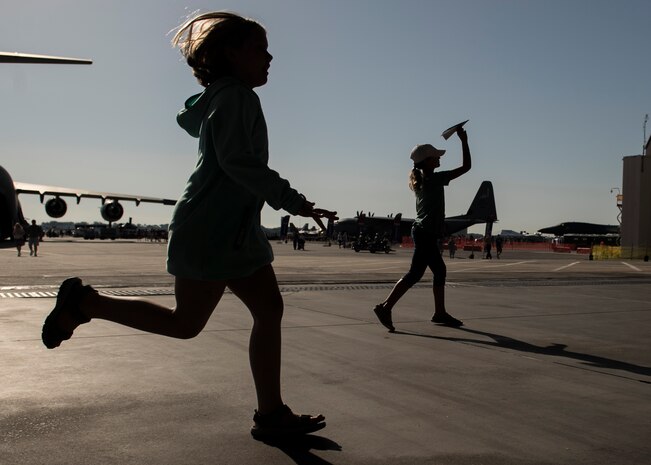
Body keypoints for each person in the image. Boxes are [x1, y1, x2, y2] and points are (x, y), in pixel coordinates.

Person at [41, 11, 336, 440]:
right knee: (186, 325)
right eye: (259, 48)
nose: (270, 57)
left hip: (232, 234)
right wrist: (294, 202)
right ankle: (86, 303)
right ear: (231, 55)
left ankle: (271, 413)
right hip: (211, 233)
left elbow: (237, 165)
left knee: (268, 310)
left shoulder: (224, 97)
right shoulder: (235, 97)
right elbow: (239, 162)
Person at [373, 127, 471, 332]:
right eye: (435, 156)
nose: (439, 159)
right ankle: (385, 307)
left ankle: (439, 312)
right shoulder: (434, 179)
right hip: (425, 233)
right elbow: (466, 167)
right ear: (427, 161)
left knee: (437, 271)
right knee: (414, 274)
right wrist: (463, 140)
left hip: (424, 232)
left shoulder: (423, 179)